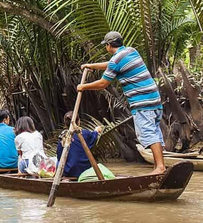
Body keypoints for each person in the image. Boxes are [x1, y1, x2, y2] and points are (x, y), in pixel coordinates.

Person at [77, 30, 166, 174]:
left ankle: (160, 167)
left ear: (109, 45)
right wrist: (91, 65)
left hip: (141, 101)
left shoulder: (115, 60)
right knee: (155, 131)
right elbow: (111, 64)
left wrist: (83, 87)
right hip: (154, 99)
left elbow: (103, 84)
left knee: (148, 133)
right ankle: (159, 166)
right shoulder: (131, 51)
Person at [56, 111, 104, 178]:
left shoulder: (63, 136)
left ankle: (60, 176)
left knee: (57, 161)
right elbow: (93, 137)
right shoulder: (84, 133)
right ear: (78, 121)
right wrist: (96, 130)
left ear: (65, 124)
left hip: (69, 170)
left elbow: (59, 155)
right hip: (85, 169)